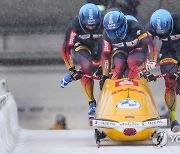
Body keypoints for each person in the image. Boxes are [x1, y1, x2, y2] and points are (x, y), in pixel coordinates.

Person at [61, 3, 103, 116]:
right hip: (82, 47)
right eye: (88, 25)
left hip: (101, 48)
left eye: (94, 24)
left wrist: (104, 66)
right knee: (87, 66)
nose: (91, 27)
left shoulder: (105, 23)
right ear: (81, 21)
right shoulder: (74, 26)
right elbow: (66, 49)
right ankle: (91, 102)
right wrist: (72, 69)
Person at [100, 10, 157, 90]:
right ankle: (112, 91)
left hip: (137, 51)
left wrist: (149, 63)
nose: (116, 35)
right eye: (112, 32)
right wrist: (105, 75)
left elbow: (148, 44)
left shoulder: (136, 28)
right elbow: (106, 54)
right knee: (119, 65)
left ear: (125, 25)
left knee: (132, 61)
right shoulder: (106, 36)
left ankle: (136, 87)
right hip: (120, 52)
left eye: (118, 30)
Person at [146, 9, 180, 132]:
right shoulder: (150, 28)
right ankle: (174, 119)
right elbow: (149, 45)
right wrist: (151, 61)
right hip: (168, 52)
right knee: (170, 80)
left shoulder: (178, 21)